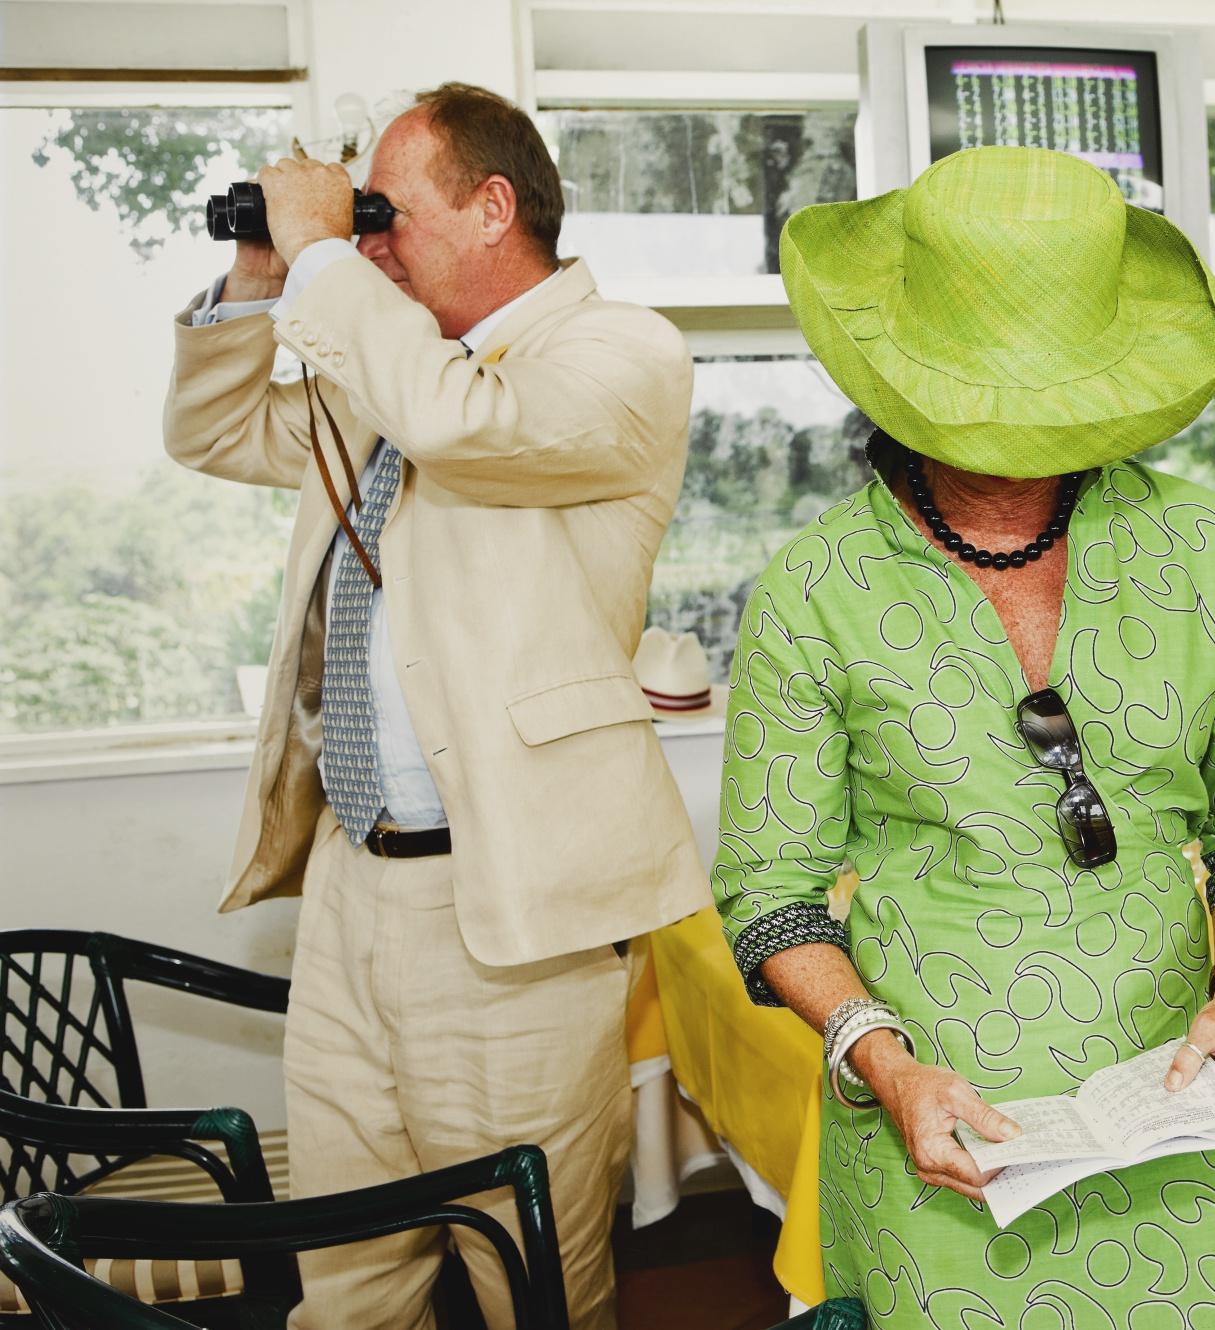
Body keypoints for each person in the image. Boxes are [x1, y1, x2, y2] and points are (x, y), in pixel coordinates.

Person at [711, 146, 1215, 1329]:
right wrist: (880, 1061)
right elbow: (769, 893)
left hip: (1170, 1106)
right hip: (938, 1127)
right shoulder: (815, 587)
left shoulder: (1199, 547)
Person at [163, 82, 710, 1328]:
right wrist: (263, 272)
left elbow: (459, 425)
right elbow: (211, 433)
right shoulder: (386, 363)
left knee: (530, 1287)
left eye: (385, 213)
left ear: (491, 206)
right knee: (344, 1283)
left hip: (509, 917)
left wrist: (319, 259)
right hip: (353, 887)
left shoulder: (619, 354)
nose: (364, 242)